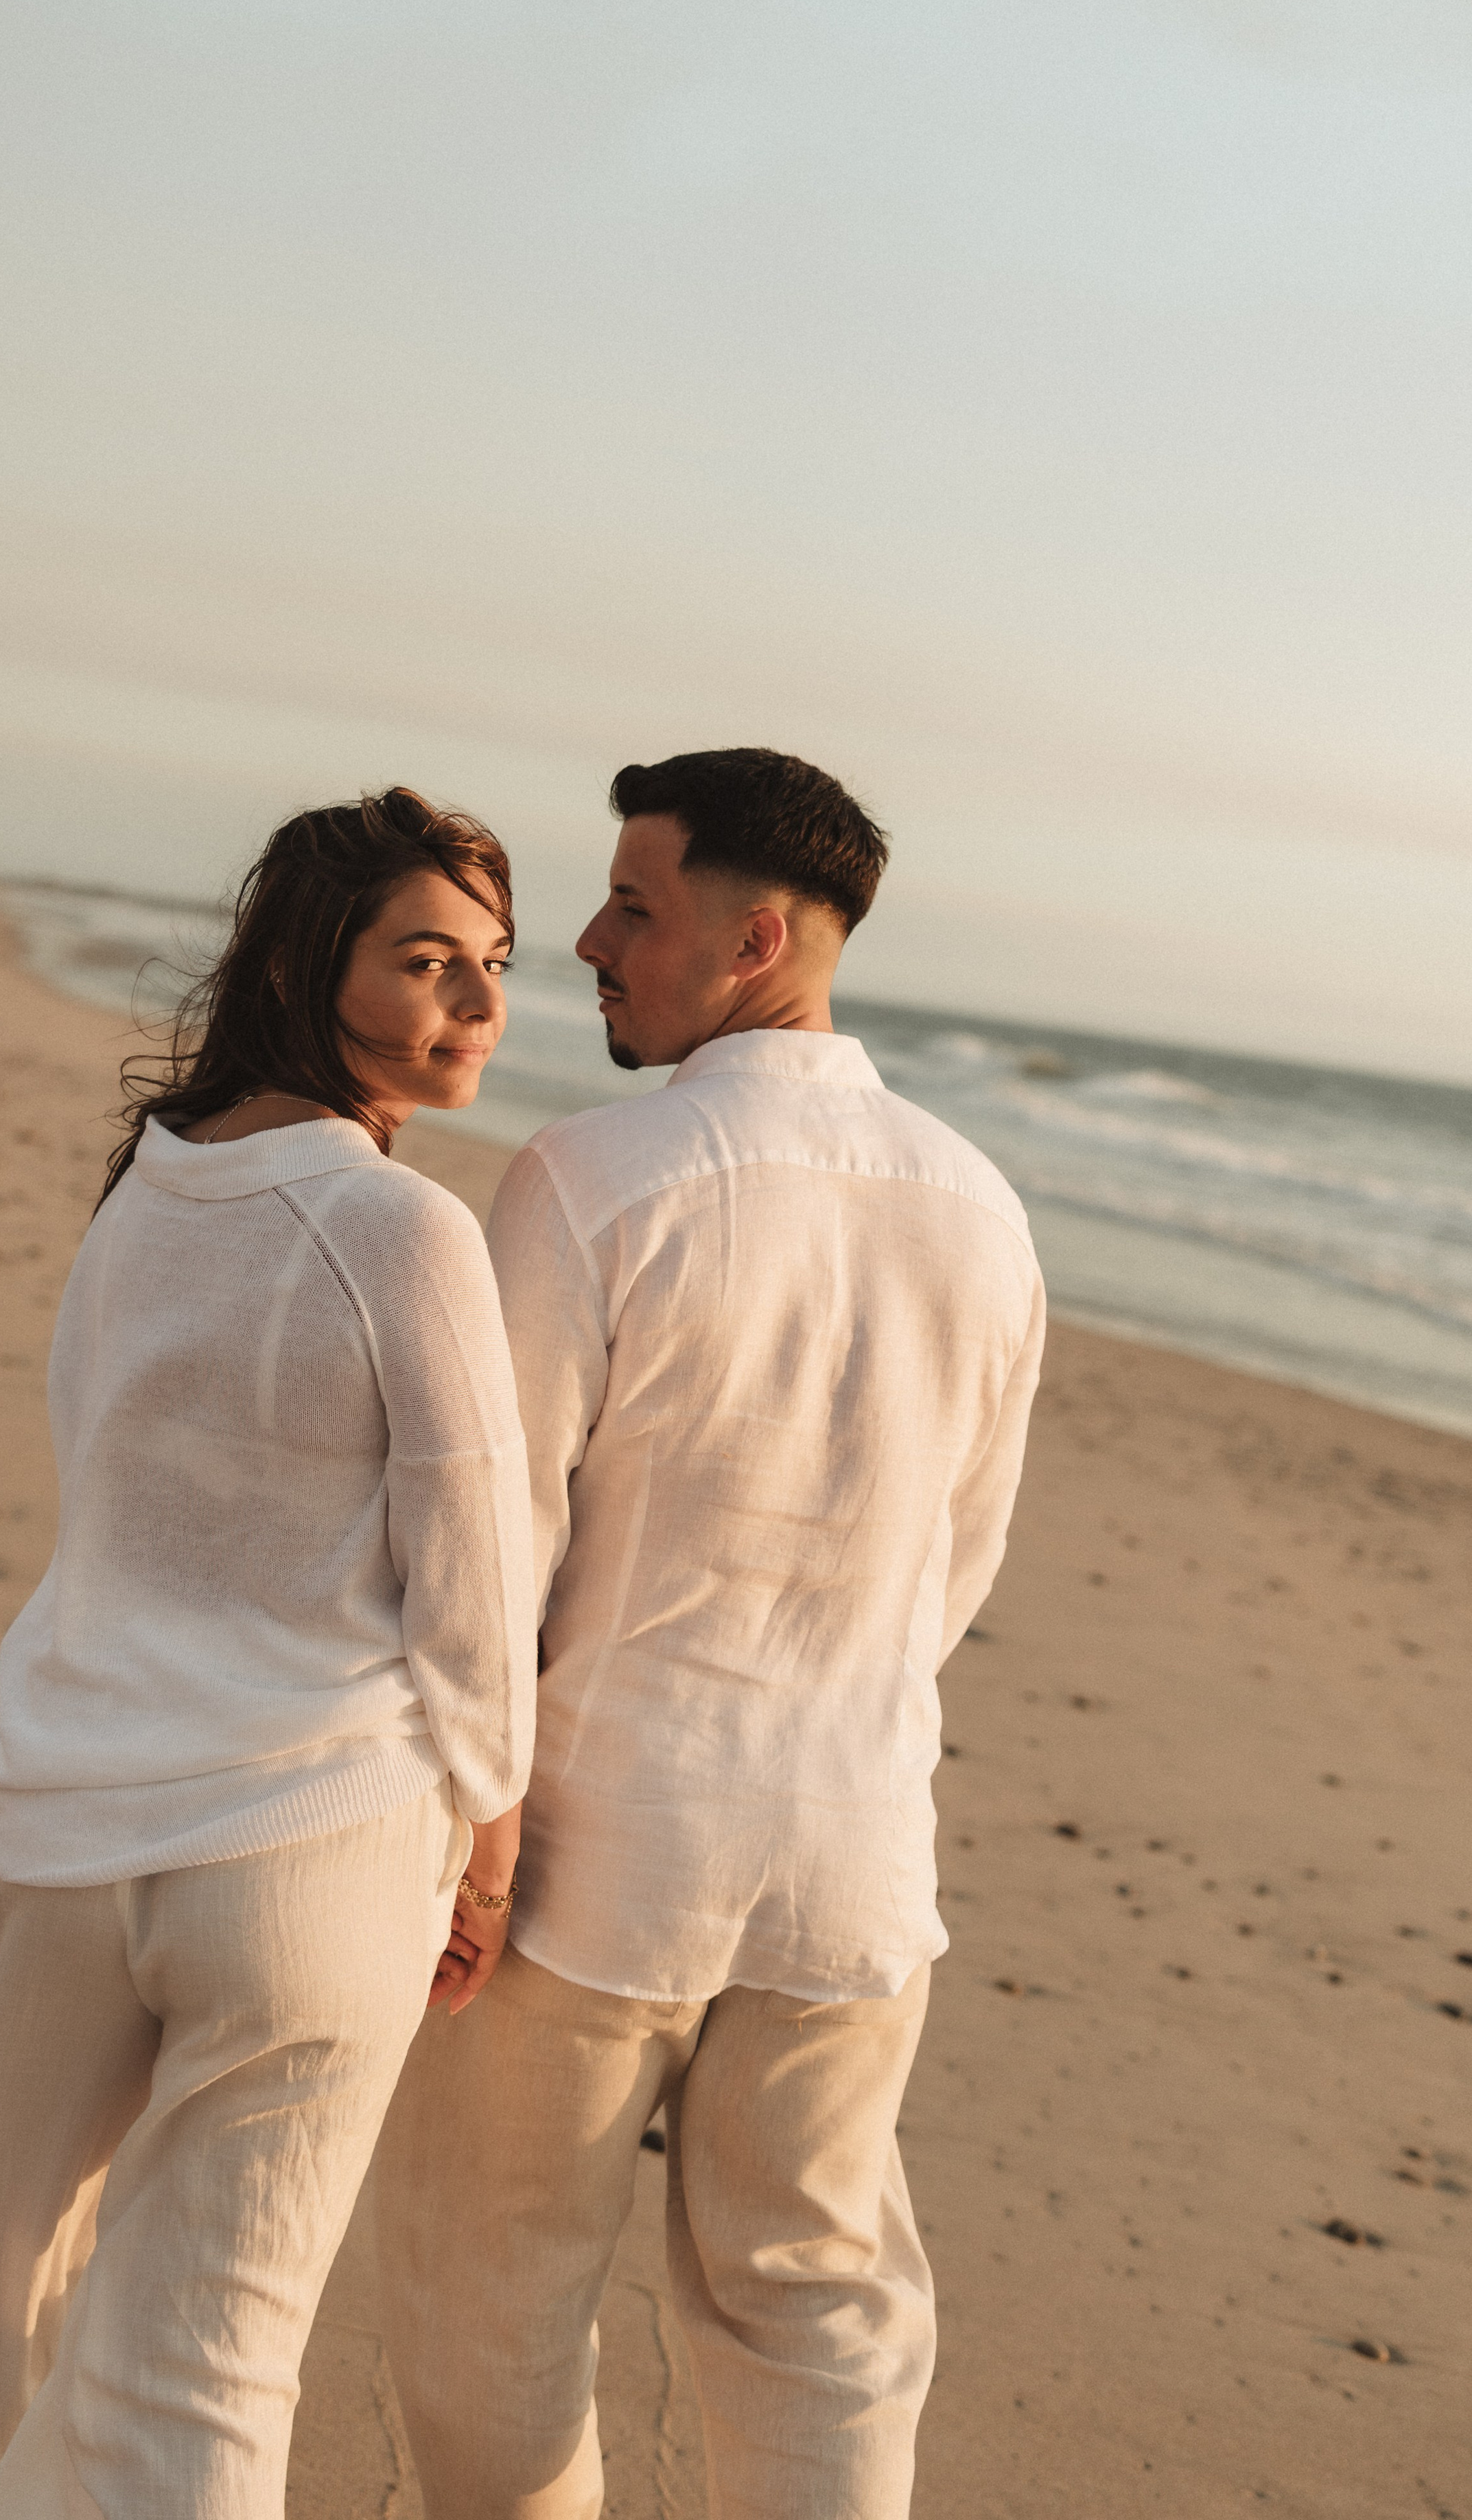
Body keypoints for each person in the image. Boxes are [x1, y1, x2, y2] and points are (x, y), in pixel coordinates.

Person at [0, 788, 536, 2520]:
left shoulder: (148, 1179)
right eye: (427, 960)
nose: (471, 1008)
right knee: (218, 2348)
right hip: (318, 1848)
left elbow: (107, 1486)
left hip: (79, 1813)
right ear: (315, 960)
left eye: (493, 968)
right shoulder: (403, 1228)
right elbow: (472, 1569)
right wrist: (491, 1838)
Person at [376, 749, 1045, 2519]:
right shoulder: (980, 1207)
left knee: (490, 2291)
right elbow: (951, 1569)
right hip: (849, 1860)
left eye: (632, 906)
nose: (586, 938)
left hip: (587, 1858)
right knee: (814, 2313)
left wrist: (474, 1824)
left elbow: (487, 1549)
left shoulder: (595, 1175)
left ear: (755, 939)